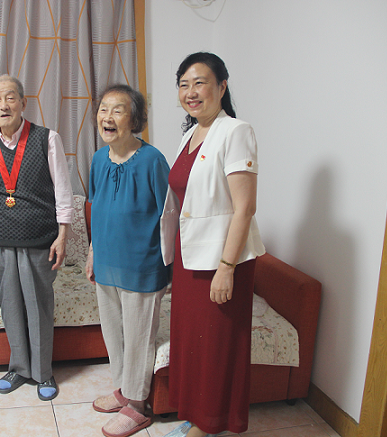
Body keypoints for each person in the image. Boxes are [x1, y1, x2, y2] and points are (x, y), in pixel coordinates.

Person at [161, 52, 266, 437]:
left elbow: (245, 208)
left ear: (222, 87)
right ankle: (195, 414)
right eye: (183, 85)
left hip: (221, 260)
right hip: (190, 258)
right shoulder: (190, 135)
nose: (190, 92)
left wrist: (226, 267)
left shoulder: (236, 131)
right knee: (193, 342)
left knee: (217, 346)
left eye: (199, 83)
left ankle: (210, 424)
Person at [0, 75, 74, 402]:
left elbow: (63, 190)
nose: (4, 105)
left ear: (23, 103)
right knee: (10, 304)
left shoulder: (47, 138)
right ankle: (18, 368)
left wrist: (63, 236)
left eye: (10, 97)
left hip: (39, 238)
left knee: (38, 305)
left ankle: (43, 372)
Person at [85, 84, 170, 437]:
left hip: (142, 265)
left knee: (137, 336)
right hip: (106, 262)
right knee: (114, 332)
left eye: (117, 110)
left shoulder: (152, 160)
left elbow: (169, 215)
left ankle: (137, 405)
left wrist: (171, 266)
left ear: (134, 120)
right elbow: (96, 209)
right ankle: (123, 388)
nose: (108, 116)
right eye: (103, 109)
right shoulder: (98, 159)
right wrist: (93, 253)